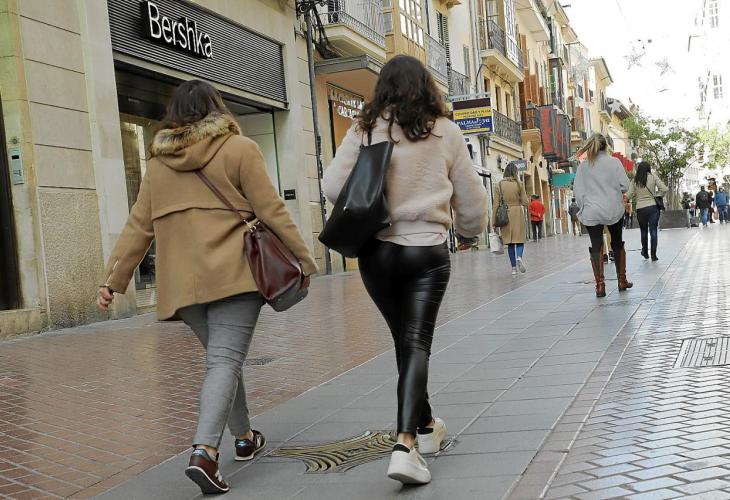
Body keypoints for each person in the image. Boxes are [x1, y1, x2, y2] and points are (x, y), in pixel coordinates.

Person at [96, 80, 318, 495]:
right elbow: (271, 210)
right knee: (224, 361)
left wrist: (114, 280)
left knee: (223, 360)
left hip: (183, 286)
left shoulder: (157, 166)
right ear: (217, 108)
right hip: (235, 275)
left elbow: (138, 227)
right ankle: (204, 453)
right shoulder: (239, 148)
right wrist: (304, 259)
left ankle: (245, 437)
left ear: (174, 116)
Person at [322, 55, 488, 485]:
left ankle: (427, 427)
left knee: (405, 340)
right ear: (426, 87)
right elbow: (471, 199)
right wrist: (469, 231)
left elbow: (332, 186)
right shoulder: (445, 130)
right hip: (426, 251)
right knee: (415, 343)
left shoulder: (364, 129)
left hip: (376, 255)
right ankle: (405, 445)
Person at [573, 133, 633, 297]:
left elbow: (577, 191)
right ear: (606, 146)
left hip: (592, 210)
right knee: (617, 242)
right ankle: (622, 280)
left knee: (596, 245)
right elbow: (625, 185)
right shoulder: (614, 162)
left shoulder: (583, 166)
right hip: (613, 208)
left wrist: (584, 205)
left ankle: (600, 286)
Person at [493, 163, 529, 275]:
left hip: (505, 215)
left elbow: (495, 205)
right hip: (517, 213)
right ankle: (519, 257)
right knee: (520, 240)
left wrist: (493, 221)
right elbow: (525, 202)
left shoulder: (499, 185)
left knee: (510, 243)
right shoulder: (519, 184)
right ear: (515, 172)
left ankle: (513, 269)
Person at [627, 161, 668, 261]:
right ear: (648, 168)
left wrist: (625, 197)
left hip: (640, 208)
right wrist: (657, 195)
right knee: (653, 230)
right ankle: (653, 255)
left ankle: (645, 252)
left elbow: (629, 194)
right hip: (653, 207)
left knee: (643, 231)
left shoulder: (635, 180)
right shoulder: (653, 176)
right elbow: (665, 189)